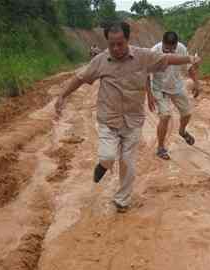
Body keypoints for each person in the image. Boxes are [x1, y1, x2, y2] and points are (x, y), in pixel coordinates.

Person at [55, 22, 201, 213]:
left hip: (132, 121)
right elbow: (80, 77)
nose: (116, 48)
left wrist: (189, 58)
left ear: (127, 40)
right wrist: (62, 95)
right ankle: (103, 165)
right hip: (109, 120)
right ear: (107, 42)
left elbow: (167, 59)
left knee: (128, 162)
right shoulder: (100, 61)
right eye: (111, 44)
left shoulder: (142, 56)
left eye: (120, 44)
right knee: (107, 156)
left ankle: (122, 200)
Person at [146, 31, 200, 160]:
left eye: (172, 49)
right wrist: (149, 95)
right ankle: (160, 148)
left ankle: (182, 131)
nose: (170, 52)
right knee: (165, 117)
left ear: (176, 45)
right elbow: (145, 74)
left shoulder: (181, 48)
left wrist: (197, 83)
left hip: (176, 86)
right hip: (159, 88)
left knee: (187, 114)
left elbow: (190, 67)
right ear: (162, 43)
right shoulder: (154, 51)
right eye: (166, 49)